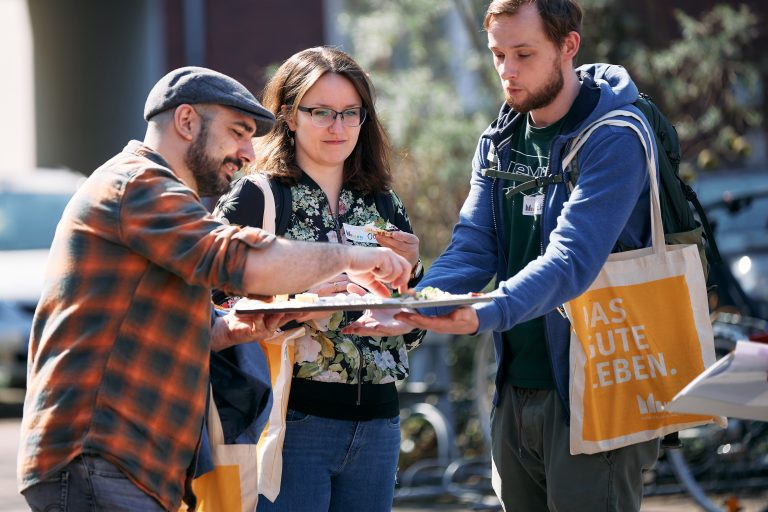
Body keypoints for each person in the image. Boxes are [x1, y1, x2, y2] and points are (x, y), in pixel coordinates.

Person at [17, 66, 413, 512]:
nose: (248, 152)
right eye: (238, 132)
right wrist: (352, 256)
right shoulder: (138, 184)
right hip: (101, 456)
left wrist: (235, 329)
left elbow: (173, 328)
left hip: (127, 465)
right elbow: (237, 258)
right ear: (186, 121)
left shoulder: (159, 194)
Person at [344, 1, 662, 510]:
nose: (507, 71)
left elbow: (570, 261)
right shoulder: (500, 139)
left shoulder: (614, 137)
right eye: (497, 54)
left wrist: (484, 312)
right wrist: (417, 303)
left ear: (568, 46)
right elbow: (474, 247)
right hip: (513, 390)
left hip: (596, 387)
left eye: (523, 54)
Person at [211, 46, 425, 512]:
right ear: (289, 116)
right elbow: (211, 305)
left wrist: (411, 278)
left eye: (351, 113)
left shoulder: (383, 202)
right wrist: (296, 303)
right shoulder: (258, 196)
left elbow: (411, 336)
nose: (338, 127)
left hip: (380, 426)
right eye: (322, 112)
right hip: (291, 423)